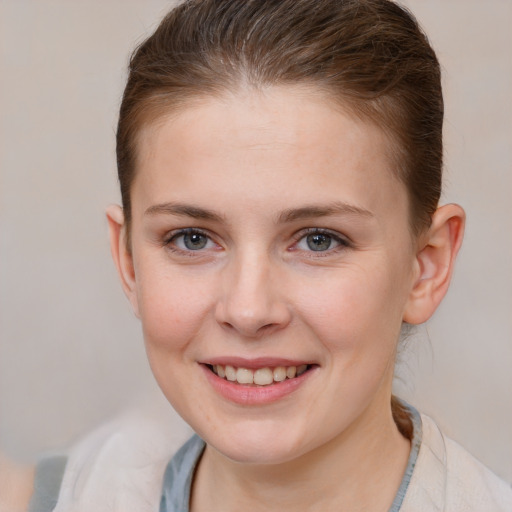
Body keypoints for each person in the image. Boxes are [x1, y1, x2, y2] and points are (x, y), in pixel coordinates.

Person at [5, 0, 512, 510]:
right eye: (193, 239)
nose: (248, 311)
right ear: (129, 261)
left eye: (318, 239)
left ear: (426, 266)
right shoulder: (62, 496)